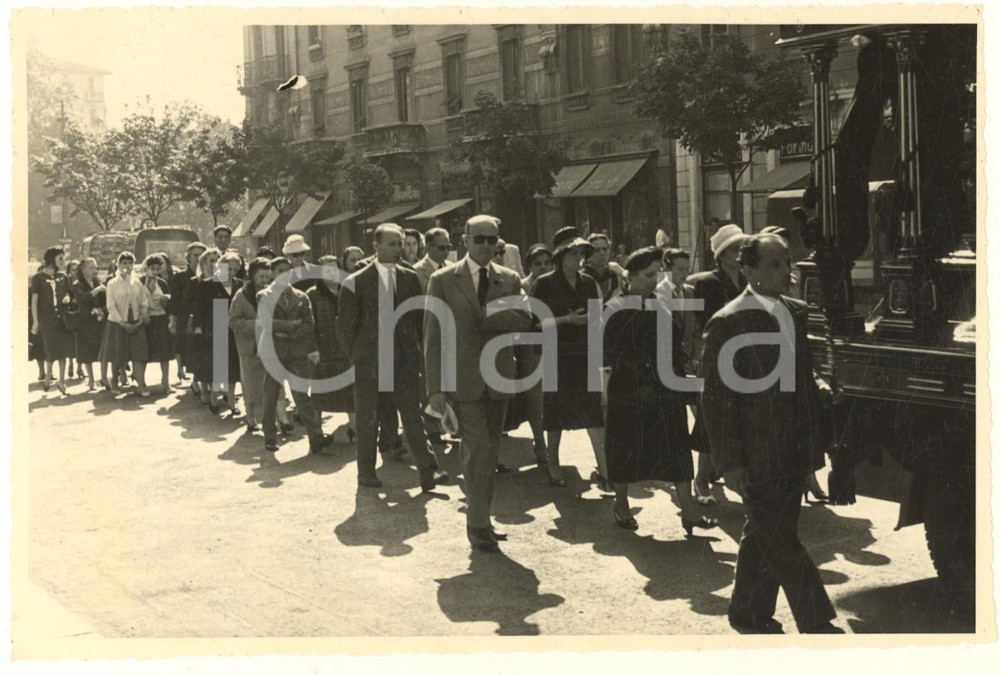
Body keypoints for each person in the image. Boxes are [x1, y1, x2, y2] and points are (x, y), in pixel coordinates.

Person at [701, 234, 841, 635]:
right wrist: (729, 462)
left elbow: (803, 370)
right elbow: (715, 399)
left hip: (793, 446)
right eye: (775, 264)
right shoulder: (729, 320)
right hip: (755, 452)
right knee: (780, 539)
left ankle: (748, 612)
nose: (787, 272)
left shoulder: (796, 311)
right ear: (748, 270)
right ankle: (817, 621)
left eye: (788, 263)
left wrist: (819, 385)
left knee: (767, 530)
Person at [424, 214, 532, 552]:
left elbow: (524, 318)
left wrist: (487, 315)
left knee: (489, 451)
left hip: (499, 378)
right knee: (479, 450)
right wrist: (435, 388)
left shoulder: (509, 279)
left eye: (492, 240)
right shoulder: (443, 280)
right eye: (479, 239)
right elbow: (432, 336)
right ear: (465, 241)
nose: (486, 245)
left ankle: (482, 518)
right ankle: (477, 522)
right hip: (463, 380)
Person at [603, 247, 718, 535]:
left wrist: (683, 363)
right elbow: (612, 353)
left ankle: (688, 510)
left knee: (676, 446)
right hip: (631, 390)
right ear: (630, 276)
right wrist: (643, 381)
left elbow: (672, 340)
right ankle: (621, 504)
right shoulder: (616, 308)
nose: (654, 281)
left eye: (656, 274)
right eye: (647, 275)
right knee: (626, 448)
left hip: (666, 387)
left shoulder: (659, 303)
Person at [336, 223, 446, 491]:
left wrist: (414, 353)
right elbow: (345, 328)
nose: (398, 249)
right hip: (369, 364)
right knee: (368, 419)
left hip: (403, 361)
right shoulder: (356, 281)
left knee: (412, 417)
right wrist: (359, 357)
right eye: (392, 244)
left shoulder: (409, 278)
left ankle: (427, 472)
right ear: (376, 246)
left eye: (400, 244)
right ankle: (366, 473)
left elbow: (418, 319)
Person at [529, 227, 606, 488]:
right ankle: (553, 463)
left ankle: (605, 469)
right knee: (555, 414)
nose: (579, 259)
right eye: (574, 254)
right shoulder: (545, 283)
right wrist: (567, 319)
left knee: (593, 412)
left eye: (582, 254)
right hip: (557, 354)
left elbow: (596, 319)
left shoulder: (588, 282)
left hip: (584, 354)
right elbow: (535, 324)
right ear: (561, 256)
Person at [687, 222, 750, 505]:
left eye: (742, 248)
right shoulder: (708, 283)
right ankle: (701, 479)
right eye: (734, 249)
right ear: (721, 255)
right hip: (717, 355)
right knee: (711, 419)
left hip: (746, 357)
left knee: (741, 418)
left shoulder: (749, 279)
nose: (739, 254)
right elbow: (705, 323)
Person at [257, 256, 331, 454]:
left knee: (302, 397)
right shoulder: (264, 295)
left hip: (297, 353)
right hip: (274, 354)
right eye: (280, 271)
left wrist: (290, 333)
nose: (285, 274)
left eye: (288, 270)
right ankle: (270, 437)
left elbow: (309, 324)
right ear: (273, 273)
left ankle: (316, 437)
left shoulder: (301, 296)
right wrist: (293, 325)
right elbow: (267, 322)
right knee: (271, 396)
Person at [190, 248, 242, 415]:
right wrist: (198, 326)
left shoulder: (240, 284)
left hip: (234, 327)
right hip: (216, 326)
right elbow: (199, 309)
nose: (232, 273)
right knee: (220, 365)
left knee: (234, 366)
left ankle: (231, 399)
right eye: (229, 268)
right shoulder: (209, 284)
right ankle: (214, 393)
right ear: (221, 266)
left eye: (235, 270)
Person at [308, 256, 356, 436]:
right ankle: (317, 432)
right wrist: (312, 348)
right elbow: (308, 325)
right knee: (320, 392)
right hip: (323, 350)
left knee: (350, 391)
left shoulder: (348, 290)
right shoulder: (312, 295)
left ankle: (354, 428)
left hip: (346, 349)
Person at [229, 258, 273, 433]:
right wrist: (256, 324)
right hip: (249, 346)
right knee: (249, 383)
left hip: (268, 345)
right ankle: (250, 418)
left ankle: (268, 419)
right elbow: (233, 320)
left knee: (267, 384)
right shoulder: (242, 295)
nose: (264, 280)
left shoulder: (271, 292)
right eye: (261, 276)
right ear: (252, 275)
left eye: (267, 277)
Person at [100, 251, 151, 397]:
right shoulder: (112, 283)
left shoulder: (137, 283)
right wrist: (122, 323)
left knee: (139, 355)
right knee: (117, 355)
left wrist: (141, 317)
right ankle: (115, 382)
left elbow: (144, 302)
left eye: (130, 263)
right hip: (118, 323)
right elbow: (111, 306)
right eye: (124, 263)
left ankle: (141, 384)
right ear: (118, 264)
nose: (127, 266)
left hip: (136, 322)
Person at [30, 247, 75, 395]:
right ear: (51, 260)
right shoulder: (38, 278)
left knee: (63, 351)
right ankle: (48, 374)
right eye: (60, 258)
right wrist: (35, 322)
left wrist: (67, 297)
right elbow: (34, 302)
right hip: (46, 320)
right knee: (50, 350)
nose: (63, 261)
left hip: (62, 319)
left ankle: (61, 382)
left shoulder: (63, 277)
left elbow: (68, 293)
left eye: (63, 258)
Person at [169, 242, 206, 386]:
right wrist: (172, 319)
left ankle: (198, 381)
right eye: (195, 255)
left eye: (201, 255)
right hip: (186, 318)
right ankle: (195, 380)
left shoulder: (210, 274)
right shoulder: (180, 276)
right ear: (188, 258)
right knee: (189, 348)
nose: (198, 258)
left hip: (204, 318)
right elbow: (175, 300)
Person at [68, 258, 106, 391]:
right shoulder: (77, 284)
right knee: (86, 352)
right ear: (83, 270)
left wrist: (100, 309)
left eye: (96, 268)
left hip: (98, 321)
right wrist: (97, 290)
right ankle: (91, 379)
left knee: (102, 350)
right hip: (84, 321)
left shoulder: (98, 282)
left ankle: (103, 377)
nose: (94, 271)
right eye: (91, 268)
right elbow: (83, 299)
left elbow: (104, 300)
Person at [140, 254, 174, 393]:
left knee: (164, 353)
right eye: (152, 269)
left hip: (160, 319)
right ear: (146, 268)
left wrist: (165, 300)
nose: (155, 272)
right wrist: (143, 314)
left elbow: (169, 303)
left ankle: (165, 382)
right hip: (146, 320)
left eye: (157, 269)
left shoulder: (162, 283)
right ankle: (141, 382)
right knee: (144, 353)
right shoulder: (139, 282)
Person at [582, 233, 625, 304]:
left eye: (605, 249)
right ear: (588, 254)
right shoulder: (582, 277)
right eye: (597, 250)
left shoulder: (615, 275)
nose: (602, 253)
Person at [413, 227, 451, 293]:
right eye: (442, 248)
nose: (446, 251)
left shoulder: (453, 268)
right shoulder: (415, 272)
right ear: (429, 248)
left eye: (448, 247)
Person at [64, 258, 81, 379]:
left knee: (80, 341)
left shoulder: (82, 281)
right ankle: (70, 364)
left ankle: (80, 367)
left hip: (81, 313)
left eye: (77, 270)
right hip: (70, 312)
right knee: (70, 341)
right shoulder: (67, 282)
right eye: (73, 270)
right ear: (69, 271)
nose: (75, 272)